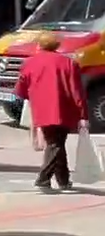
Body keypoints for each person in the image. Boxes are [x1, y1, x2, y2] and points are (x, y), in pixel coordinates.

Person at [14, 32, 86, 192]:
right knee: (56, 143)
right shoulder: (69, 63)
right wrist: (83, 114)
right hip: (64, 108)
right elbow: (77, 91)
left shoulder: (29, 63)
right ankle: (43, 178)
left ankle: (63, 180)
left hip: (41, 108)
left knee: (55, 143)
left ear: (39, 45)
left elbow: (21, 89)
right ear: (57, 46)